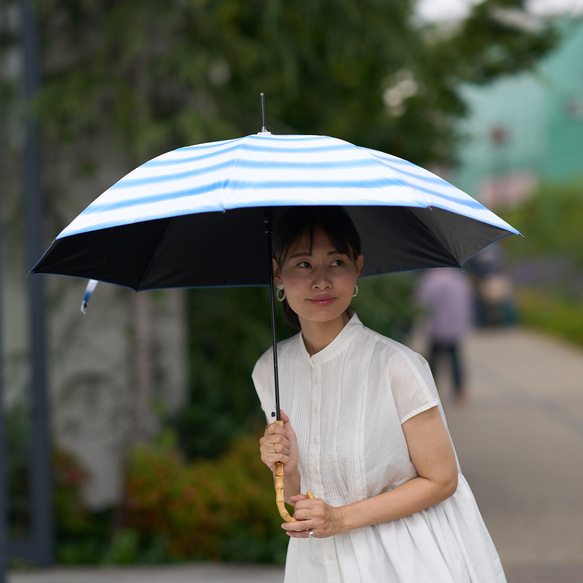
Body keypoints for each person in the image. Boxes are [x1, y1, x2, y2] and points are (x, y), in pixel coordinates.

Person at [252, 206, 506, 582]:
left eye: (335, 262)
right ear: (278, 273)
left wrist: (340, 518)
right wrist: (285, 468)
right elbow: (298, 497)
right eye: (303, 265)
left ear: (357, 268)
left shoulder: (396, 365)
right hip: (319, 565)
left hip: (405, 561)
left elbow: (442, 479)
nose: (321, 281)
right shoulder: (269, 370)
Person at [415, 268, 474, 403]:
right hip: (453, 327)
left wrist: (424, 326)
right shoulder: (458, 279)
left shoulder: (429, 280)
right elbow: (465, 303)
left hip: (436, 327)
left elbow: (422, 304)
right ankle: (459, 389)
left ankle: (431, 388)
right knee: (455, 359)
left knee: (433, 361)